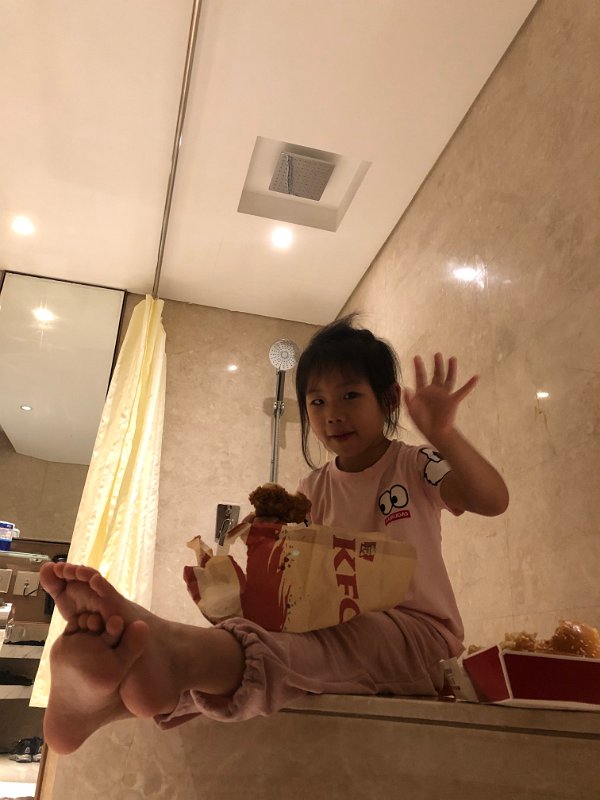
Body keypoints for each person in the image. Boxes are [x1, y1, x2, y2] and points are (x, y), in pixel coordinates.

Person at [39, 315, 509, 755]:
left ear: (387, 400)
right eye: (317, 402)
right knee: (287, 646)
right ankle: (113, 698)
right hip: (336, 626)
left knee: (337, 642)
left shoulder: (414, 463)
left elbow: (492, 499)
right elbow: (301, 587)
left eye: (350, 396)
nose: (332, 414)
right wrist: (239, 594)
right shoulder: (314, 487)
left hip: (420, 636)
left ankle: (172, 651)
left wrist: (444, 434)